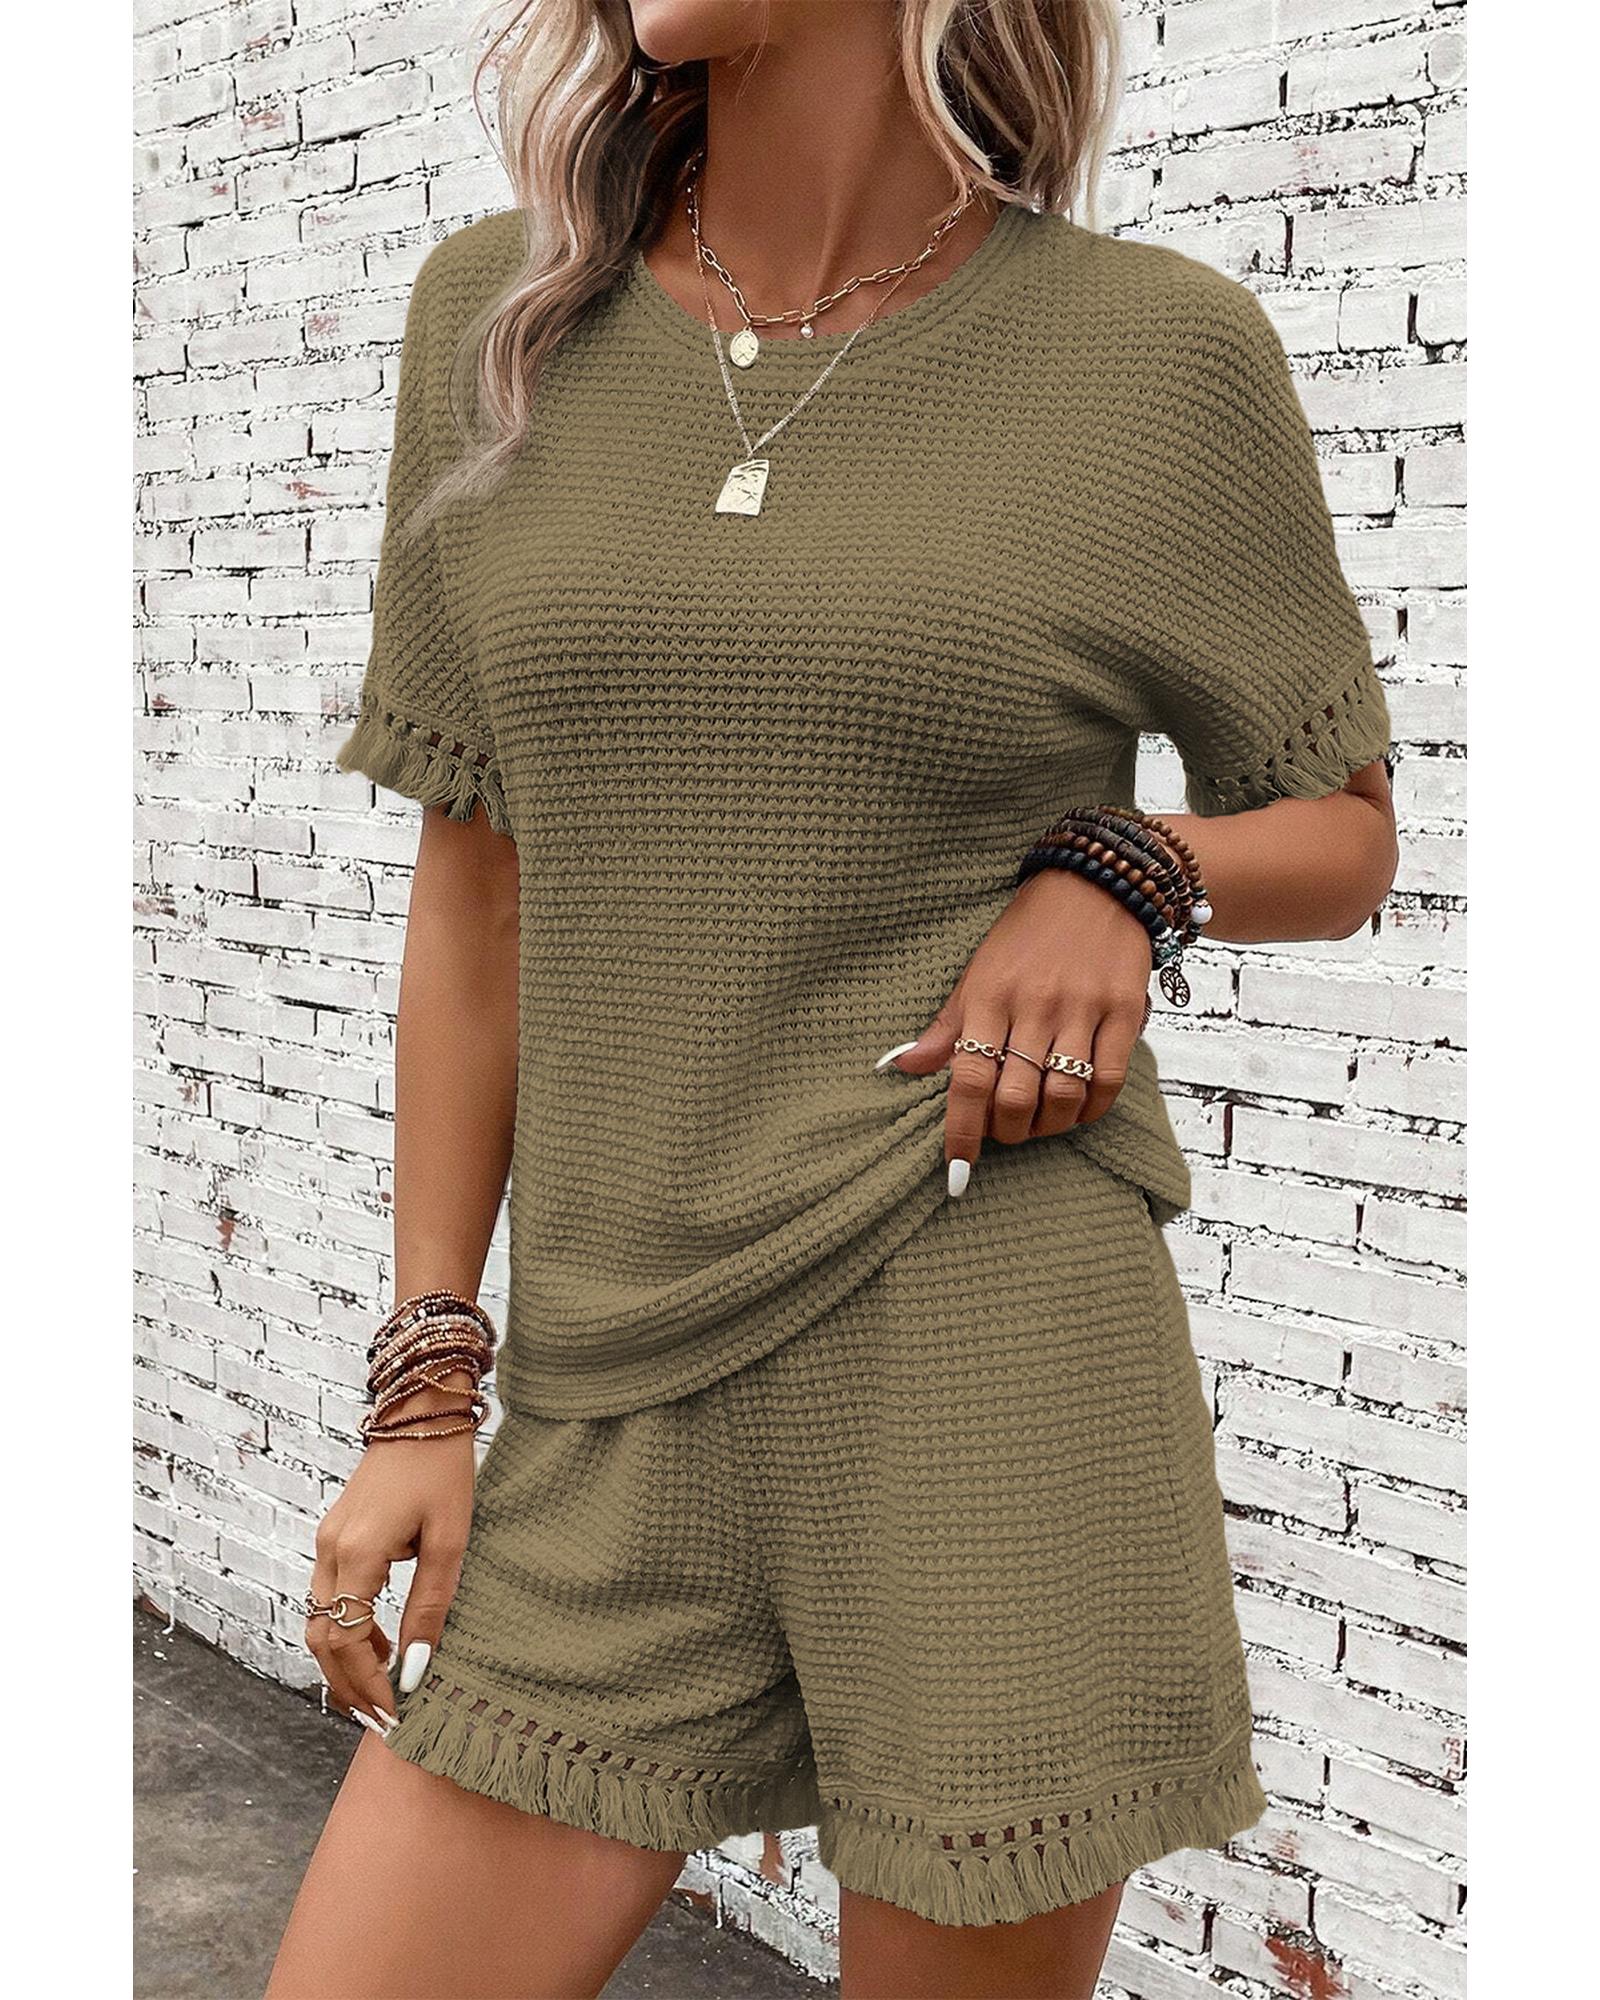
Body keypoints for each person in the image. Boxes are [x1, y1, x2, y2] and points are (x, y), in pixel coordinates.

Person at [266, 3, 1399, 1995]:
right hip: (613, 1380)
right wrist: (426, 1388)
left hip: (991, 1341)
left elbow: (1341, 828)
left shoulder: (1151, 353)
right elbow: (479, 893)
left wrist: (1126, 868)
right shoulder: (500, 323)